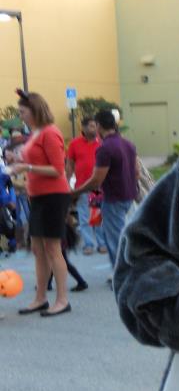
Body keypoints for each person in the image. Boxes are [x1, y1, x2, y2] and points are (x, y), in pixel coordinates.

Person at [6, 90, 72, 316]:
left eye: (23, 112)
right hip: (37, 196)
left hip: (54, 196)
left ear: (35, 111)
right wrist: (19, 159)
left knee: (53, 249)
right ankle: (40, 297)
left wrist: (28, 167)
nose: (21, 116)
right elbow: (34, 159)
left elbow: (57, 170)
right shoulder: (35, 133)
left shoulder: (50, 133)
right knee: (37, 248)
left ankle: (62, 300)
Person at [73, 109, 138, 271]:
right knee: (123, 236)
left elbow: (96, 180)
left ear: (100, 126)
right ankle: (127, 269)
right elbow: (136, 173)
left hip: (114, 198)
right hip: (128, 196)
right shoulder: (128, 144)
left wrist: (75, 192)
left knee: (114, 240)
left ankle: (121, 274)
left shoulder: (105, 148)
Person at [65, 116, 107, 255]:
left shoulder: (101, 143)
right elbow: (70, 165)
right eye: (90, 126)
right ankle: (88, 244)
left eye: (95, 125)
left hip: (97, 187)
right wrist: (67, 182)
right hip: (82, 187)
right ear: (83, 128)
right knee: (84, 218)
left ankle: (101, 243)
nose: (94, 128)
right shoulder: (75, 144)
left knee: (97, 217)